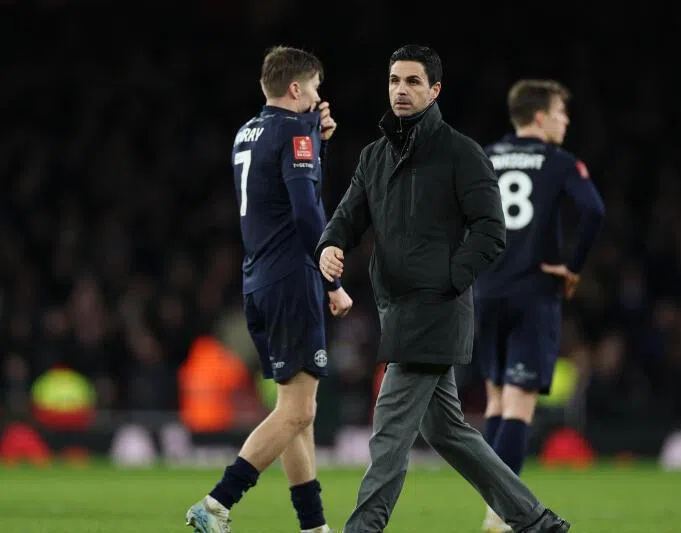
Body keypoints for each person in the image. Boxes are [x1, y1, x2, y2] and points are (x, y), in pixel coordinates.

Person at [317, 45, 571, 533]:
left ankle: (362, 529)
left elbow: (491, 231)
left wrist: (448, 281)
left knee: (389, 428)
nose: (401, 90)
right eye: (394, 80)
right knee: (448, 433)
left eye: (413, 82)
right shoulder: (375, 156)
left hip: (435, 310)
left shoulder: (460, 153)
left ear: (434, 91)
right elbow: (348, 216)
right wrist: (330, 244)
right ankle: (537, 522)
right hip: (398, 309)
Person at [185, 45, 353, 533]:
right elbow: (305, 209)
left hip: (257, 278)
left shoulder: (246, 132)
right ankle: (217, 502)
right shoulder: (294, 131)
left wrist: (316, 141)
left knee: (297, 413)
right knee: (299, 409)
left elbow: (275, 194)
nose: (320, 98)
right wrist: (333, 280)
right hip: (291, 278)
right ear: (296, 88)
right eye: (316, 88)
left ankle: (314, 527)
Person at [475, 79, 606, 532]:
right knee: (518, 405)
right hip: (534, 292)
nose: (565, 121)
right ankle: (503, 512)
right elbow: (593, 210)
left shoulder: (485, 157)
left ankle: (492, 506)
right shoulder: (559, 161)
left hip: (486, 292)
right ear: (539, 117)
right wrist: (572, 266)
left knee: (495, 401)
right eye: (560, 112)